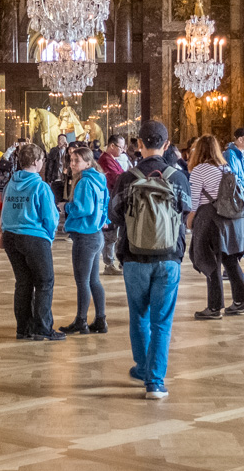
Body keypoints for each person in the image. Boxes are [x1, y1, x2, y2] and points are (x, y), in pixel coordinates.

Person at [109, 120, 192, 400]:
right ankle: (155, 381)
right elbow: (186, 211)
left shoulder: (127, 177)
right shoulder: (178, 177)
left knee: (139, 315)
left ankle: (143, 366)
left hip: (133, 256)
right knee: (162, 321)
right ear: (166, 145)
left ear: (139, 144)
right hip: (169, 257)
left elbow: (115, 215)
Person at [1, 143, 63, 341]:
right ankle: (42, 328)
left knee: (23, 283)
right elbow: (50, 217)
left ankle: (23, 328)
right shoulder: (40, 186)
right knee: (45, 282)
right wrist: (49, 236)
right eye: (42, 160)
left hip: (11, 236)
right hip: (34, 237)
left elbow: (5, 209)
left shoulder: (12, 182)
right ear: (36, 162)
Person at [188, 135, 244, 319]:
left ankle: (214, 308)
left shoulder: (199, 170)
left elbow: (194, 200)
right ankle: (240, 302)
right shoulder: (226, 167)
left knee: (211, 262)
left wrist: (191, 218)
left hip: (209, 218)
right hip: (229, 219)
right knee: (231, 260)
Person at [60, 146, 109, 335]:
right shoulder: (97, 179)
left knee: (82, 281)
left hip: (85, 235)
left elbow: (84, 209)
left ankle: (81, 321)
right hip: (95, 234)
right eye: (71, 160)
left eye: (77, 161)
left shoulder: (84, 182)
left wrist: (67, 207)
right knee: (93, 280)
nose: (72, 164)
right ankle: (100, 320)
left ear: (88, 163)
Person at [98, 135, 126, 275]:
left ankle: (119, 261)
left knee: (116, 234)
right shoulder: (105, 160)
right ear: (112, 146)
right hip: (110, 202)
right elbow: (117, 179)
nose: (122, 150)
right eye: (120, 147)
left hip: (115, 201)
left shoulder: (112, 159)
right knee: (110, 235)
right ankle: (109, 263)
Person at [44, 133, 69, 203]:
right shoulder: (54, 150)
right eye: (60, 139)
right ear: (57, 141)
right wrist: (48, 180)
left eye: (63, 139)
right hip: (56, 178)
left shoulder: (69, 151)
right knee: (56, 199)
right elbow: (49, 166)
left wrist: (67, 148)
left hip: (66, 179)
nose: (62, 141)